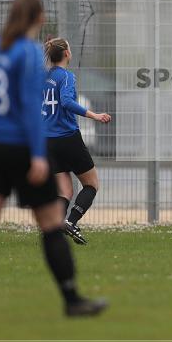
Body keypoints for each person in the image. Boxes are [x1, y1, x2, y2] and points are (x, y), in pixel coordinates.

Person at [0, 0, 106, 320]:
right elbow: (30, 110)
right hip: (18, 145)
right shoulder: (29, 53)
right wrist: (38, 155)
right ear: (39, 18)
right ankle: (72, 300)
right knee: (50, 223)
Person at [42, 37, 111, 245]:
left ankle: (55, 228)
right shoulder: (67, 77)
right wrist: (94, 115)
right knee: (91, 184)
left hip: (48, 141)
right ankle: (71, 221)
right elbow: (67, 101)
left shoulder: (44, 79)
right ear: (66, 54)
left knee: (65, 190)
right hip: (67, 138)